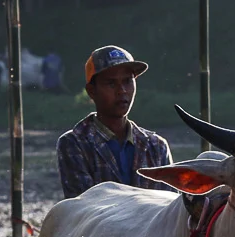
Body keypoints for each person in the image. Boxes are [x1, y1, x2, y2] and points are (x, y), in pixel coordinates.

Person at [55, 46, 172, 199]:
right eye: (111, 83)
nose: (121, 90)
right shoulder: (74, 144)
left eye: (127, 81)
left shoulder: (156, 146)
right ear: (92, 91)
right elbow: (85, 210)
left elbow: (170, 207)